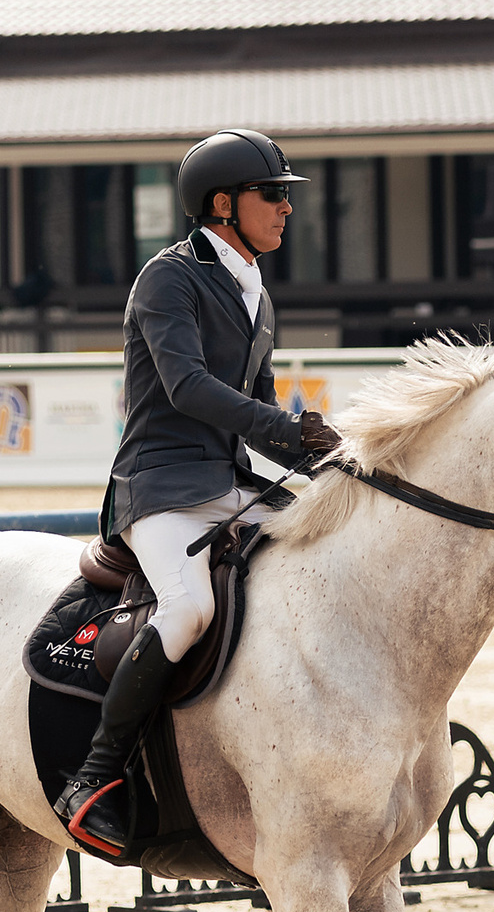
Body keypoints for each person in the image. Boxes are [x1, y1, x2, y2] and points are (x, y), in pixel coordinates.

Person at [51, 129, 341, 857]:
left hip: (226, 483)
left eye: (286, 196)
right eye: (273, 195)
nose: (286, 209)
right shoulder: (168, 278)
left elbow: (265, 419)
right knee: (189, 606)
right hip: (158, 484)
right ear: (223, 205)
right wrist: (285, 425)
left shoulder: (257, 296)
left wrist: (332, 465)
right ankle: (93, 775)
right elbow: (187, 388)